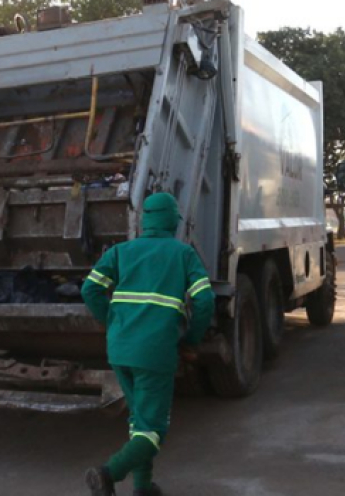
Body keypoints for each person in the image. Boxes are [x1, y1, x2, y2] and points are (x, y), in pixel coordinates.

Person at [81, 192, 215, 496]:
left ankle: (142, 487)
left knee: (139, 419)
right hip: (155, 352)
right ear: (172, 222)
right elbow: (205, 300)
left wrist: (112, 322)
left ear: (145, 221)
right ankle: (107, 473)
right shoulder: (183, 255)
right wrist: (191, 339)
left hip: (120, 349)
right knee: (154, 429)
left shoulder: (120, 252)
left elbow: (90, 290)